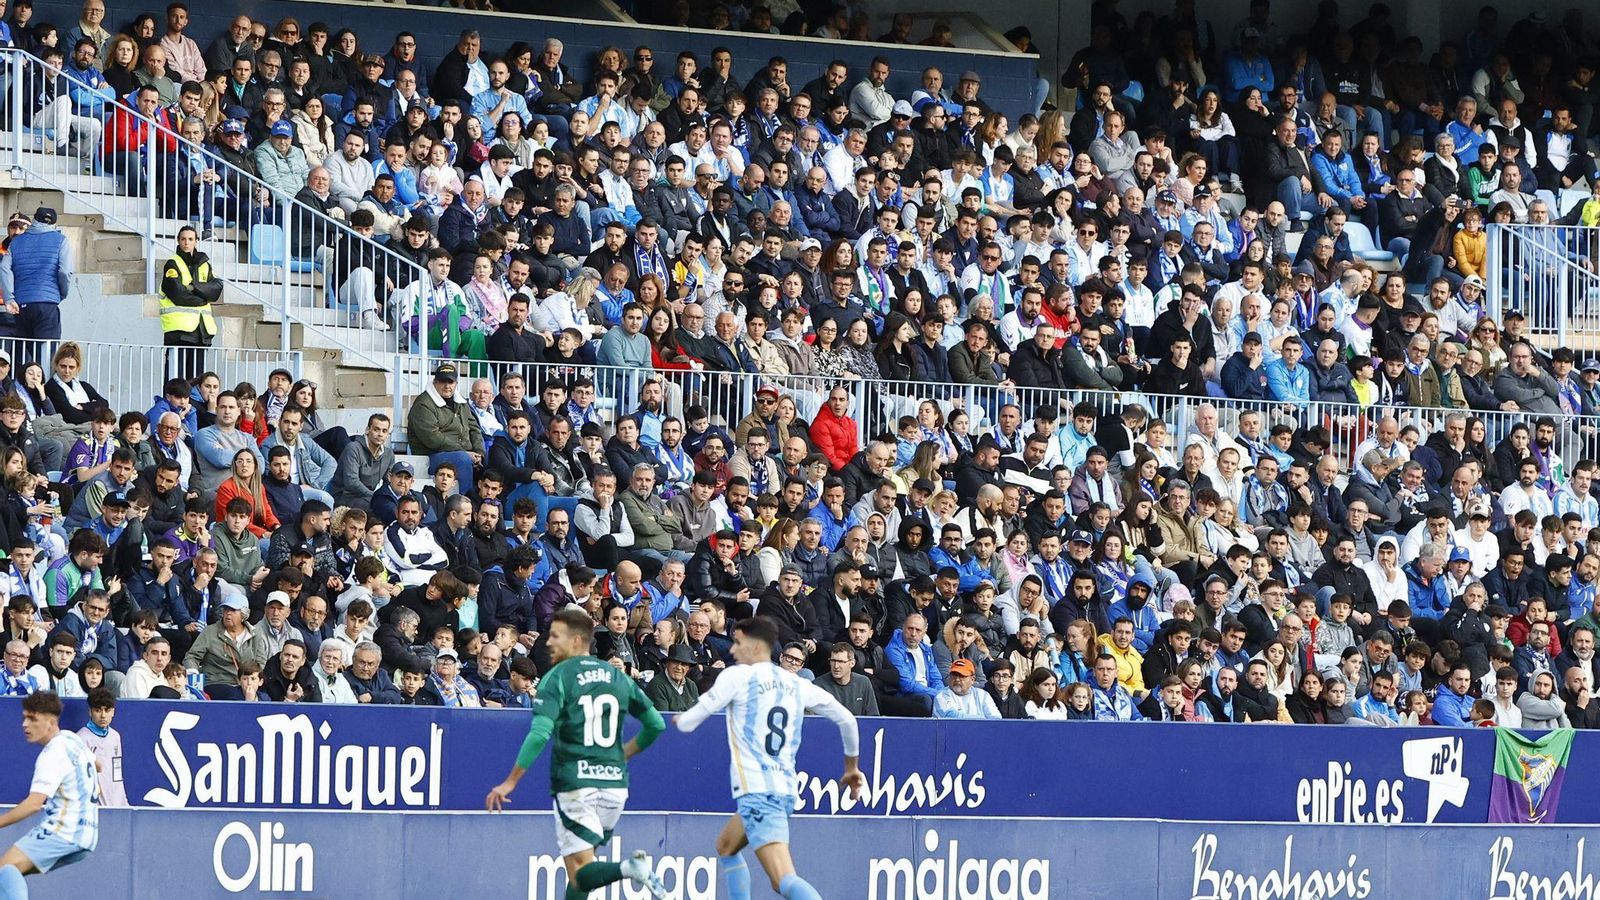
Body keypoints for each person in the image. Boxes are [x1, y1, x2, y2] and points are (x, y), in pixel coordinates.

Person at [676, 616, 865, 900]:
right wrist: (851, 767)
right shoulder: (796, 684)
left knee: (782, 880)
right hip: (783, 790)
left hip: (758, 792)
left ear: (755, 646)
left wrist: (673, 721)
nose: (732, 649)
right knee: (726, 846)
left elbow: (689, 721)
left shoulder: (737, 677)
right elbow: (848, 720)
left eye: (738, 643)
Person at [484, 608, 669, 898]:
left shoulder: (557, 678)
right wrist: (623, 755)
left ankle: (630, 867)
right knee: (582, 870)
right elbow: (656, 725)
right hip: (615, 786)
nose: (548, 642)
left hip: (576, 783)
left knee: (580, 871)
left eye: (555, 636)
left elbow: (539, 734)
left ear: (576, 640)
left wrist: (510, 782)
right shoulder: (617, 676)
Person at [0, 692, 98, 896]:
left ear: (51, 722)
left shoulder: (52, 753)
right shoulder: (71, 738)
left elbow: (34, 804)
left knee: (4, 870)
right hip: (88, 834)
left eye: (32, 719)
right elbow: (98, 765)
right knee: (9, 876)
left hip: (63, 831)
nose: (25, 725)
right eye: (24, 718)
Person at [158, 224, 221, 381]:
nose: (187, 243)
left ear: (196, 241)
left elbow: (216, 289)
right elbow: (178, 294)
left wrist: (193, 287)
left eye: (190, 239)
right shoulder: (172, 264)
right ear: (178, 241)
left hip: (201, 331)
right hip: (179, 332)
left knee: (197, 381)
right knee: (175, 380)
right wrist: (203, 297)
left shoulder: (204, 264)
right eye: (183, 239)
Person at [0, 207, 73, 340]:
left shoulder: (15, 242)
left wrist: (9, 298)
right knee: (46, 348)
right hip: (47, 303)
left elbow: (4, 268)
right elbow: (64, 271)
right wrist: (62, 293)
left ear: (34, 220)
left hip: (21, 305)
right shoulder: (61, 240)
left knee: (24, 350)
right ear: (53, 224)